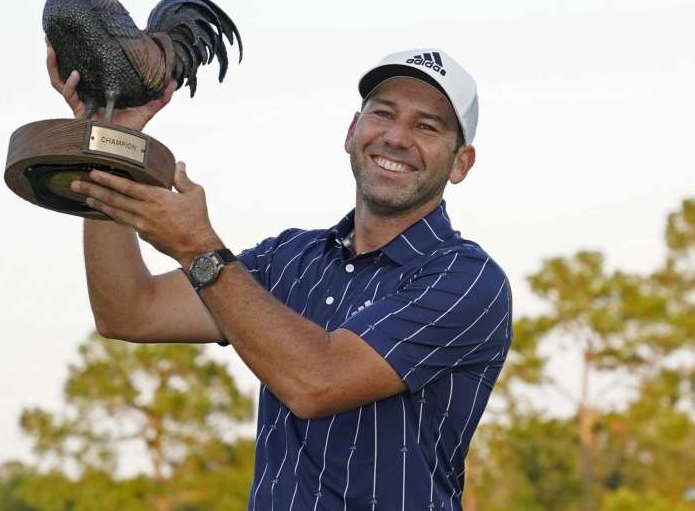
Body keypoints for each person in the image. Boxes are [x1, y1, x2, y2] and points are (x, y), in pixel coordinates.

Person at [46, 45, 512, 511]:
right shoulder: (290, 257)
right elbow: (129, 312)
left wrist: (198, 248)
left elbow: (317, 382)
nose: (396, 136)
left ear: (460, 163)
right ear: (352, 132)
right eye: (382, 114)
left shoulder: (467, 280)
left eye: (426, 126)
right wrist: (109, 142)